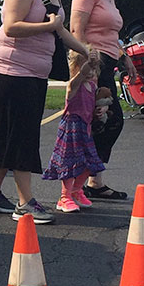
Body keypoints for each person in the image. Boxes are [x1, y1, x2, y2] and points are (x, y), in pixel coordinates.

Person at [0, 0, 88, 224]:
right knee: (23, 134)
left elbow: (59, 30)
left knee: (7, 132)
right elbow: (11, 27)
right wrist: (48, 25)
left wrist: (86, 50)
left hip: (35, 73)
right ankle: (25, 203)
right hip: (12, 71)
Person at [70, 0, 137, 200]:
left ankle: (93, 182)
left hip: (109, 59)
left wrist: (124, 56)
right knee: (108, 121)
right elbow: (77, 30)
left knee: (104, 123)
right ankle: (81, 182)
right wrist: (87, 67)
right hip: (93, 63)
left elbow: (111, 33)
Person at [42, 49, 106, 212]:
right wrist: (86, 67)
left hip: (86, 128)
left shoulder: (93, 84)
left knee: (91, 163)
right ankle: (64, 197)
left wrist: (101, 110)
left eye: (93, 68)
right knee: (70, 162)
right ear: (76, 66)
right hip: (71, 127)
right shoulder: (74, 85)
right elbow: (72, 86)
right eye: (86, 67)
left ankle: (76, 190)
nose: (90, 71)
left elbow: (95, 103)